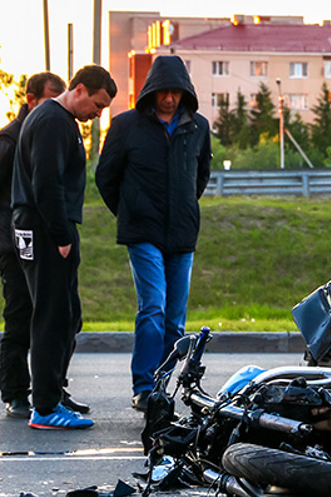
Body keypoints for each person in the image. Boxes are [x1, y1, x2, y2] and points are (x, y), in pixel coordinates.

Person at [96, 55, 211, 412]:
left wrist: (184, 209)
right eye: (164, 91)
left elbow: (200, 176)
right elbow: (106, 177)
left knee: (176, 319)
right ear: (152, 91)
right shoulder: (126, 125)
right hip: (142, 232)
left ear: (185, 93)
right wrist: (130, 211)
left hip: (182, 234)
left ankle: (161, 387)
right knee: (154, 308)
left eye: (177, 92)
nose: (170, 98)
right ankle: (143, 387)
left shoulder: (199, 126)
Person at [11, 65, 116, 430]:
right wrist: (62, 237)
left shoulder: (59, 121)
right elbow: (47, 184)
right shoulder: (53, 121)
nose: (97, 114)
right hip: (45, 229)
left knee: (67, 315)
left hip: (45, 226)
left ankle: (53, 394)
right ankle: (45, 406)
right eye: (98, 105)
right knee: (52, 318)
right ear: (81, 89)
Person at [0, 72, 66, 419]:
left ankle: (52, 389)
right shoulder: (8, 140)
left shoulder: (48, 133)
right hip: (12, 244)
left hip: (42, 241)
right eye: (48, 102)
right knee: (19, 316)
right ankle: (15, 393)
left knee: (61, 317)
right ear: (30, 100)